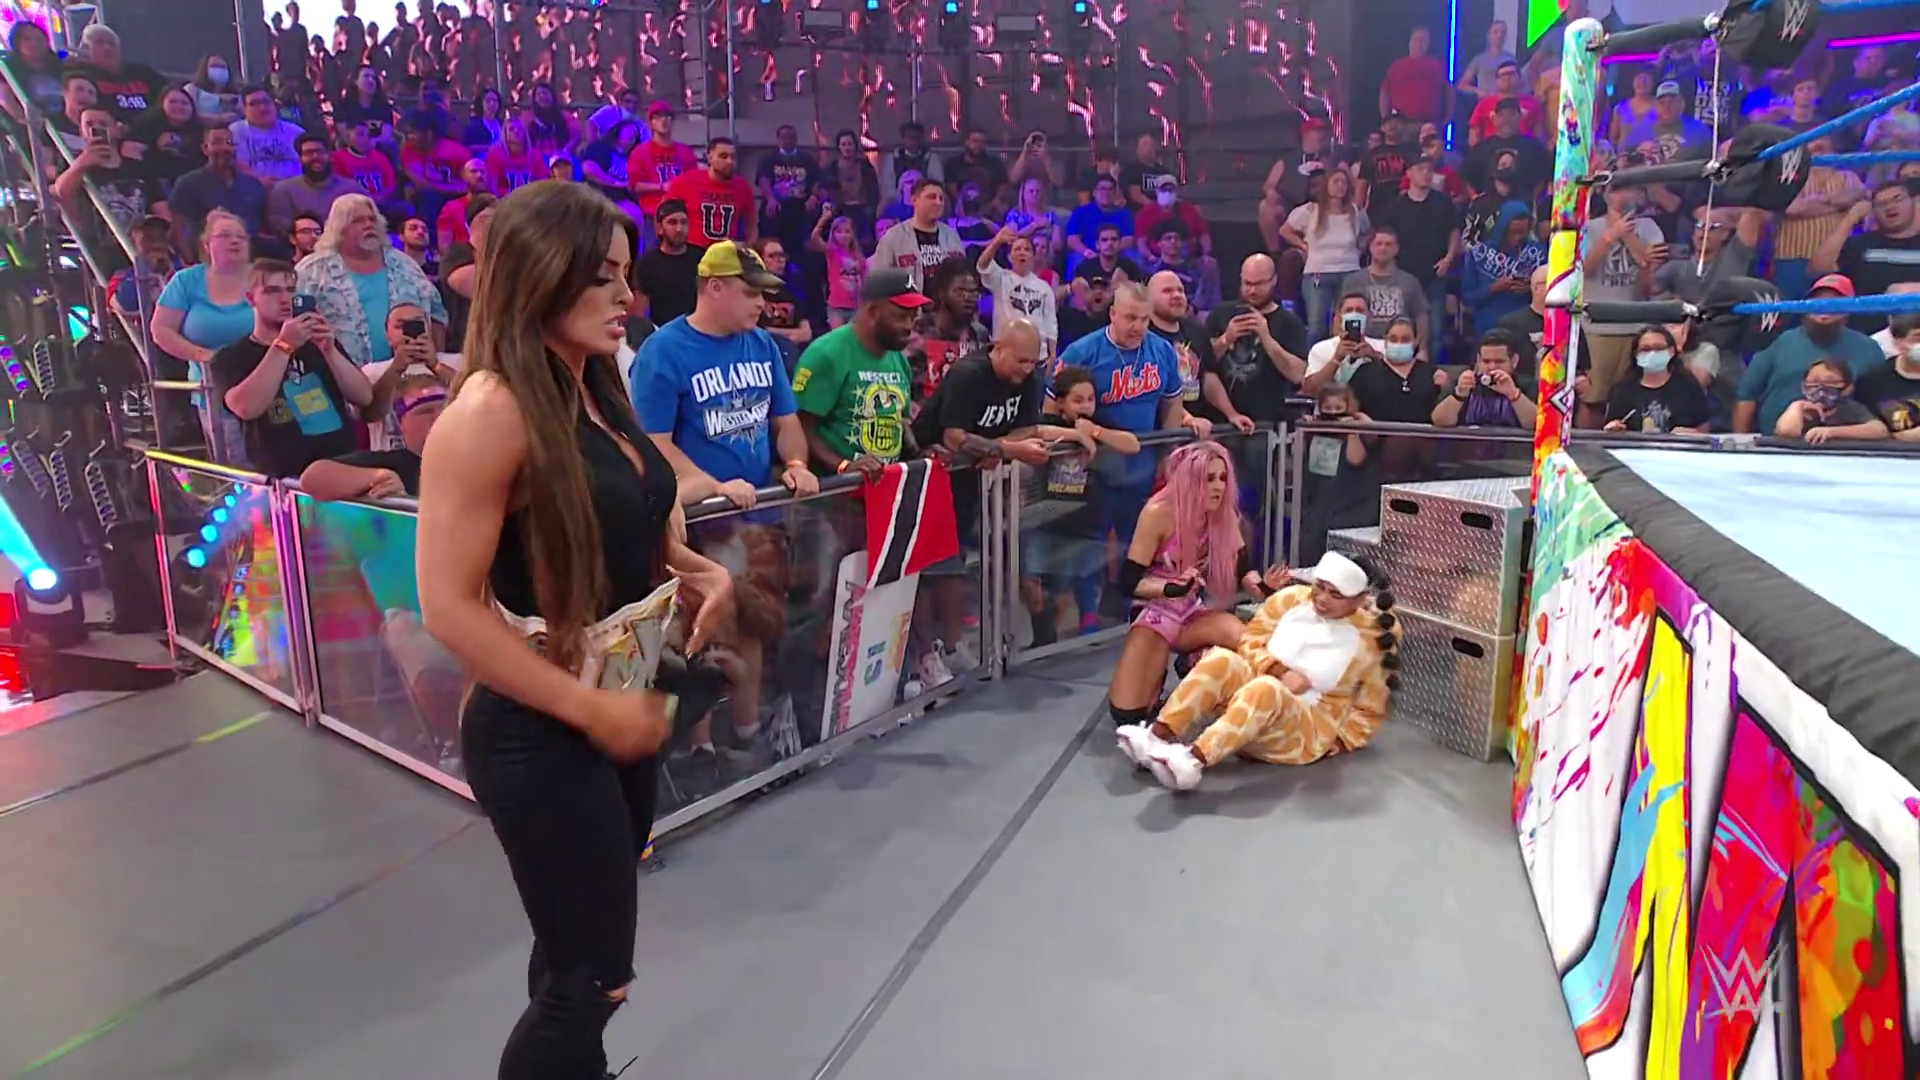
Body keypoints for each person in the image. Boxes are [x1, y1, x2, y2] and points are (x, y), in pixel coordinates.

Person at [415, 180, 733, 1079]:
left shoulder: (595, 382)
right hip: (540, 726)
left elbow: (631, 514)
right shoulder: (490, 410)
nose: (626, 295)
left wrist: (696, 568)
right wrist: (590, 712)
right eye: (602, 277)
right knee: (592, 981)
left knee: (571, 956)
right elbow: (447, 604)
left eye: (625, 275)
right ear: (541, 273)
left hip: (615, 701)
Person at [1117, 551, 1399, 791]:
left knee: (1266, 688)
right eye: (1320, 587)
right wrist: (1279, 671)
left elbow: (1372, 704)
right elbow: (1250, 640)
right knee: (1222, 659)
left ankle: (1191, 760)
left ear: (1359, 599)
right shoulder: (1291, 599)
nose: (1322, 598)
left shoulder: (1374, 635)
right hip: (1250, 705)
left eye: (1335, 594)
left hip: (1305, 727)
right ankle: (1156, 736)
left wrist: (1341, 741)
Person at [1103, 441, 1263, 730]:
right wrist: (1169, 588)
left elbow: (1243, 567)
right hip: (1154, 610)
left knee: (1246, 639)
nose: (1218, 486)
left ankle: (1193, 664)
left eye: (1222, 478)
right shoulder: (1158, 512)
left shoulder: (1224, 513)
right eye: (1209, 479)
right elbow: (1128, 582)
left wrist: (1265, 588)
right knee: (1128, 715)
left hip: (1192, 611)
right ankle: (1158, 680)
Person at [213, 257, 376, 477]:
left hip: (343, 464)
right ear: (251, 298)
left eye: (290, 290)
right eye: (272, 291)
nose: (285, 299)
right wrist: (283, 345)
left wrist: (330, 351)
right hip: (285, 476)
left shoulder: (319, 344)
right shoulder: (232, 357)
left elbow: (364, 397)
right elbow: (245, 408)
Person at [792, 268, 930, 477]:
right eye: (901, 317)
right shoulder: (827, 353)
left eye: (913, 318)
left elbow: (899, 419)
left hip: (884, 485)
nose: (908, 326)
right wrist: (843, 466)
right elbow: (800, 427)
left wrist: (921, 452)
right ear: (873, 312)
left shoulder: (897, 356)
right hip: (835, 489)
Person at [299, 371, 446, 498]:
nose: (439, 416)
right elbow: (312, 478)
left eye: (445, 408)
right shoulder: (393, 463)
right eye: (426, 411)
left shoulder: (460, 461)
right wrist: (378, 478)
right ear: (400, 423)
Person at [1602, 325, 1710, 434]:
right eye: (1645, 349)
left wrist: (1692, 433)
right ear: (1636, 354)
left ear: (1671, 351)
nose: (1652, 353)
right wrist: (1613, 429)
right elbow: (1612, 427)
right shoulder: (1622, 390)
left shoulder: (1688, 385)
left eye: (1659, 348)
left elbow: (1704, 426)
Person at [870, 177, 965, 290]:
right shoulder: (894, 237)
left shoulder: (952, 237)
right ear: (914, 200)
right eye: (931, 197)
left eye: (941, 198)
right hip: (908, 300)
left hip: (945, 300)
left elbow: (962, 276)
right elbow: (878, 280)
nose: (938, 202)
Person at [663, 137, 756, 248]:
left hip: (726, 251)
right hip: (693, 250)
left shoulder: (742, 187)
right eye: (723, 156)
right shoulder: (688, 181)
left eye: (733, 157)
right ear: (710, 158)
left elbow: (752, 222)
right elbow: (663, 212)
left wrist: (748, 246)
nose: (729, 161)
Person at [1432, 330, 1536, 430]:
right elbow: (1439, 421)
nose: (1492, 367)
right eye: (1486, 361)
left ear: (1514, 361)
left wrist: (1514, 395)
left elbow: (1535, 424)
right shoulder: (1465, 384)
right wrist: (1459, 395)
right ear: (1478, 361)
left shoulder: (1528, 386)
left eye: (1499, 361)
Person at [1773, 357, 1889, 444]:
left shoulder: (1850, 408)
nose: (1821, 388)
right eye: (1814, 381)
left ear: (1848, 388)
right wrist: (1796, 406)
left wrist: (1831, 432)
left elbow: (1879, 430)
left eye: (1831, 382)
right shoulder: (1799, 408)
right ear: (1803, 386)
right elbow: (1786, 433)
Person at [633, 199, 703, 326]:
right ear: (660, 228)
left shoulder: (702, 258)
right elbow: (639, 313)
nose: (679, 229)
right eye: (672, 222)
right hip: (661, 331)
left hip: (697, 330)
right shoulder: (647, 263)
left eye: (684, 222)